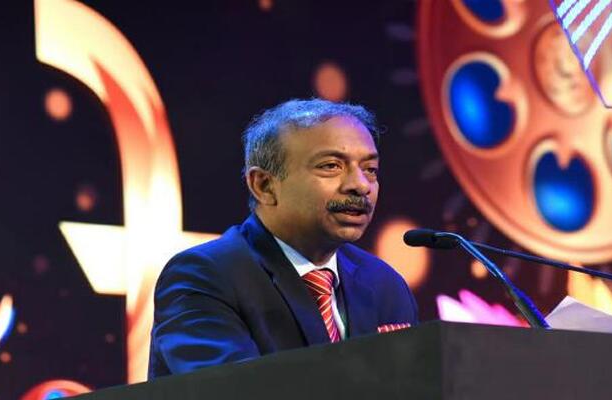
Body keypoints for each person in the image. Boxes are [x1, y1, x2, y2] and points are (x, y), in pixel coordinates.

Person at [148, 98, 418, 378]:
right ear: (264, 185)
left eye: (370, 169)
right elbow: (229, 389)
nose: (360, 185)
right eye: (331, 166)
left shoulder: (384, 284)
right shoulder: (205, 276)